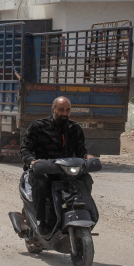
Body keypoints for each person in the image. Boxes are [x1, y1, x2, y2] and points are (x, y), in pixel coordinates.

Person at [20, 96, 96, 234]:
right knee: (42, 184)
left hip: (67, 171)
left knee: (86, 179)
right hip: (44, 170)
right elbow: (25, 149)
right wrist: (32, 161)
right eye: (61, 110)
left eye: (67, 110)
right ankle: (41, 221)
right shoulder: (38, 126)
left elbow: (81, 150)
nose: (64, 113)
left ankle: (82, 211)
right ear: (53, 109)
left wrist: (87, 157)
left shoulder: (74, 128)